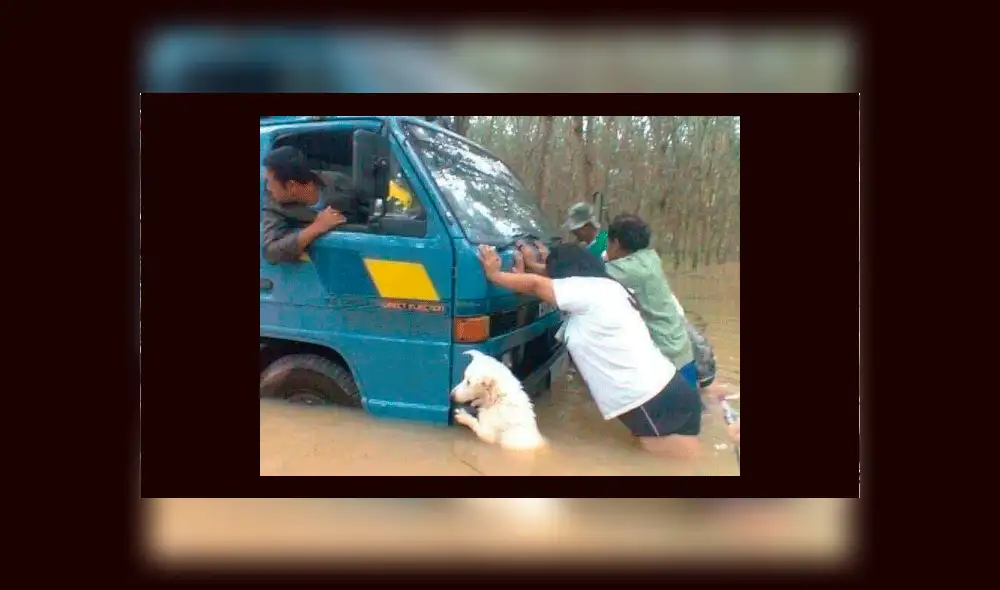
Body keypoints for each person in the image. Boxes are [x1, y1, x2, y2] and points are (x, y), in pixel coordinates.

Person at [477, 242, 702, 460]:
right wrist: (523, 271)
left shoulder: (589, 290)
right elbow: (544, 285)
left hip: (651, 400)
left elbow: (537, 285)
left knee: (677, 471)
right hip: (665, 391)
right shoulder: (606, 288)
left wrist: (496, 275)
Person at [603, 214, 699, 390]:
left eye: (608, 243)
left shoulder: (628, 269)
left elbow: (585, 274)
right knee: (690, 408)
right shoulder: (650, 257)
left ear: (616, 243)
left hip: (667, 356)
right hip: (681, 349)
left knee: (673, 411)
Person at [261, 146, 353, 264]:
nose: (268, 188)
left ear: (291, 186)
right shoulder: (274, 205)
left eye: (270, 182)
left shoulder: (339, 183)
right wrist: (316, 228)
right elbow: (271, 252)